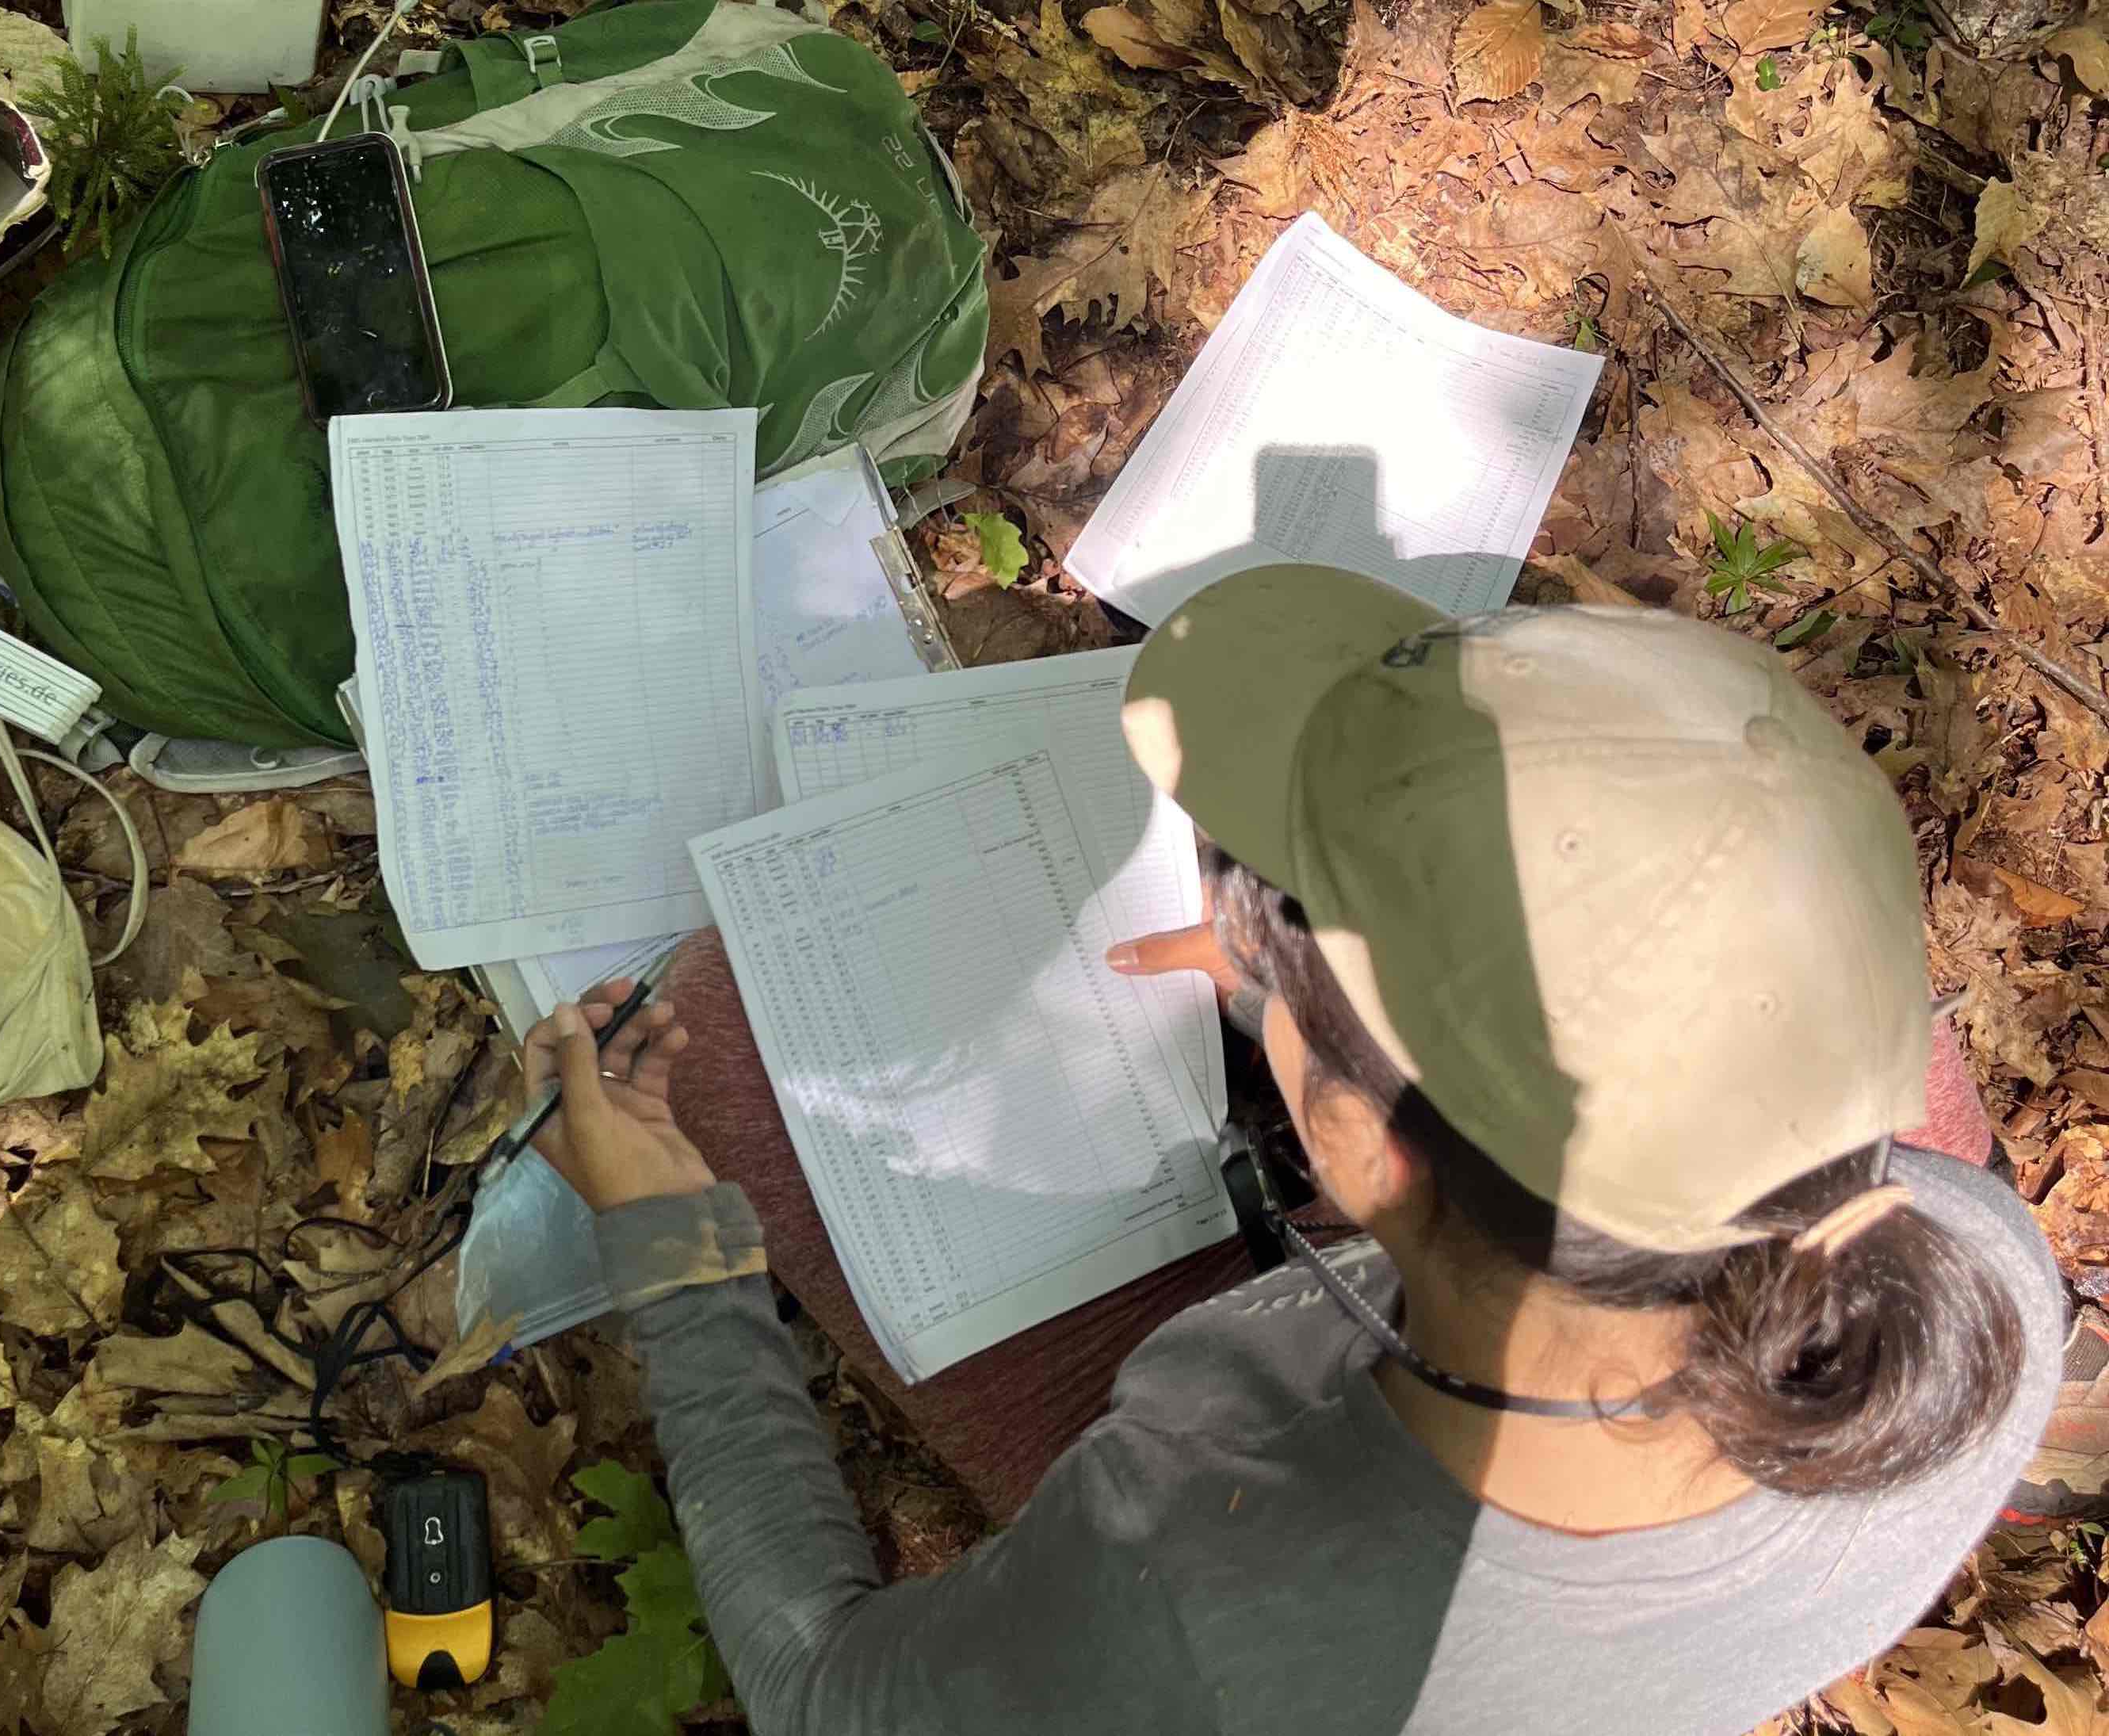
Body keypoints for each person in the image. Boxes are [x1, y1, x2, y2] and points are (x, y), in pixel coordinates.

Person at [512, 566, 2061, 1735]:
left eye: (1289, 970)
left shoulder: (1207, 1572)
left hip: (1291, 1566)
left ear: (1353, 1152)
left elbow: (826, 1686)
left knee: (717, 1023)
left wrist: (681, 1252)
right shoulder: (1968, 1274)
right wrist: (1334, 998)